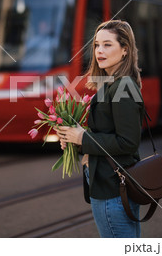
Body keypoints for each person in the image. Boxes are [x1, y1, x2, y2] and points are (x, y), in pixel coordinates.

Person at [54, 20, 144, 238]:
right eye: (96, 45)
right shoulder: (111, 85)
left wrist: (83, 138)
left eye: (107, 45)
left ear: (125, 50)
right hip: (109, 186)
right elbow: (106, 133)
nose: (99, 51)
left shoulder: (123, 86)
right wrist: (74, 140)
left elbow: (128, 142)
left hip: (113, 190)